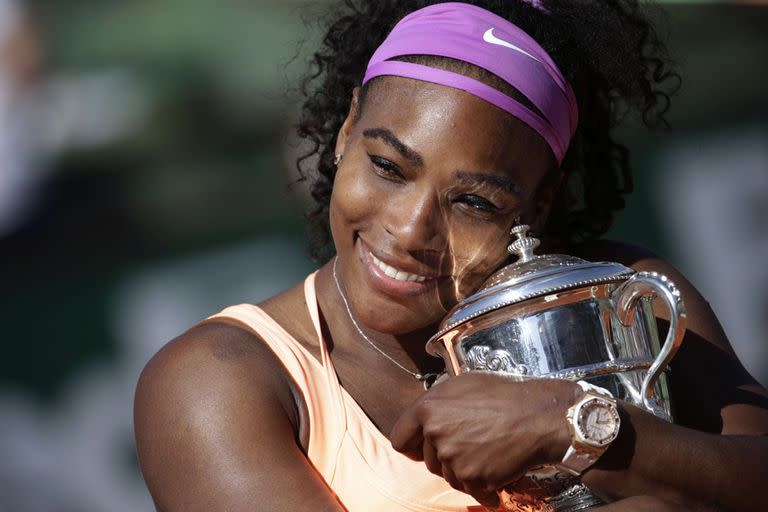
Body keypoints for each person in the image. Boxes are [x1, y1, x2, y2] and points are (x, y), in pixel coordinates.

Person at [133, 1, 768, 511]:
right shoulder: (219, 383)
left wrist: (574, 427)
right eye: (386, 166)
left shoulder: (626, 295)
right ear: (347, 129)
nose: (409, 231)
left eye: (472, 203)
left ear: (538, 205)